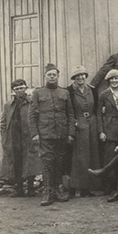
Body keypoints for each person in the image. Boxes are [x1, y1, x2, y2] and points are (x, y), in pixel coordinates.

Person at [29, 64, 74, 206]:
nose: (52, 77)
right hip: (45, 134)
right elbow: (31, 115)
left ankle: (58, 191)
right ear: (45, 76)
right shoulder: (38, 93)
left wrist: (70, 133)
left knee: (59, 162)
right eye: (50, 75)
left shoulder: (64, 93)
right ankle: (48, 193)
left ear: (58, 76)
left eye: (54, 74)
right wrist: (35, 134)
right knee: (47, 163)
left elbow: (70, 114)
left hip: (61, 133)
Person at [0, 79, 41, 197]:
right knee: (16, 162)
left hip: (28, 137)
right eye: (17, 89)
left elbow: (37, 118)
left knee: (30, 162)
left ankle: (31, 188)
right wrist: (4, 137)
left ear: (26, 88)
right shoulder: (8, 105)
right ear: (13, 91)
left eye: (22, 88)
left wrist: (35, 134)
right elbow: (3, 123)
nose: (19, 91)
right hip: (14, 138)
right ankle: (19, 189)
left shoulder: (31, 103)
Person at [66, 65, 101, 197]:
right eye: (77, 76)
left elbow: (97, 107)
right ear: (74, 78)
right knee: (79, 157)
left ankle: (87, 188)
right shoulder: (69, 91)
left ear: (86, 77)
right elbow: (67, 110)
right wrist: (74, 122)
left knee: (92, 155)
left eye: (83, 75)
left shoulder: (92, 90)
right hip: (78, 124)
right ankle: (74, 187)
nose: (80, 78)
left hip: (92, 123)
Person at [96, 69, 118, 167]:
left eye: (116, 78)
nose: (114, 81)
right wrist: (101, 131)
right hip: (109, 130)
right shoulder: (103, 95)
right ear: (108, 81)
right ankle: (108, 181)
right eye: (112, 79)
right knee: (109, 157)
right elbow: (99, 114)